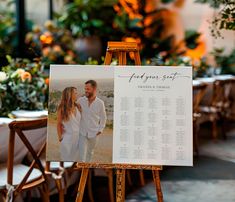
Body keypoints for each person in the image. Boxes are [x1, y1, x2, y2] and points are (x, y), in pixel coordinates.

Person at [78, 80, 107, 162]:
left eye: (88, 89)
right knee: (81, 154)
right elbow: (73, 112)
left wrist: (100, 130)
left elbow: (103, 117)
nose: (86, 91)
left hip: (94, 133)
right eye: (85, 89)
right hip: (82, 132)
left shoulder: (100, 103)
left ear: (94, 89)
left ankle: (87, 169)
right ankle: (82, 169)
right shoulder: (80, 100)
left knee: (90, 152)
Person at [57, 87, 81, 161]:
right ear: (70, 95)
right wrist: (61, 138)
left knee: (76, 161)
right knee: (67, 160)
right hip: (67, 140)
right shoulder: (62, 108)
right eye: (75, 93)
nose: (77, 94)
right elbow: (58, 124)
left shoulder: (78, 107)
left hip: (79, 139)